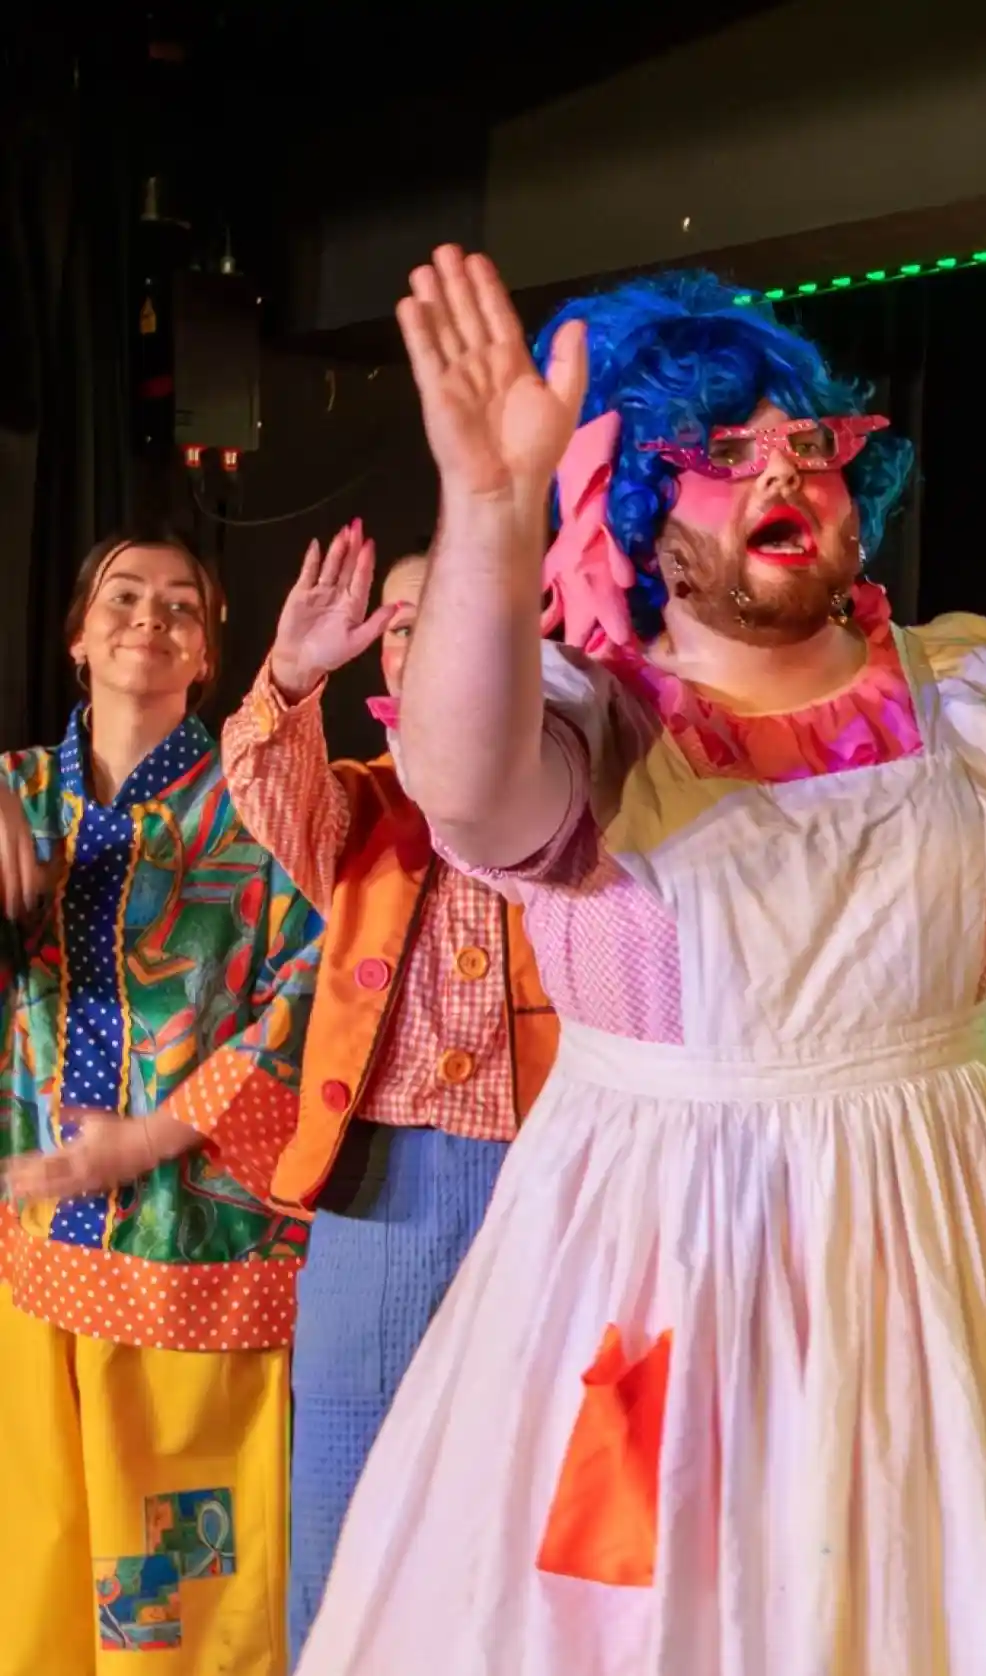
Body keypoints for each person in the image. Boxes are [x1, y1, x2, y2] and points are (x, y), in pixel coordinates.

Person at [297, 250, 986, 1676]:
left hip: (950, 1247)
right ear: (642, 510)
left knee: (950, 1595)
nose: (783, 473)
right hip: (663, 1258)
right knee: (649, 1609)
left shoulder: (982, 702)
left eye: (810, 445)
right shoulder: (597, 725)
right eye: (723, 451)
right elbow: (466, 791)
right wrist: (488, 506)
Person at [219, 520, 558, 1662]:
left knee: (536, 1507)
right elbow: (265, 774)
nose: (433, 643)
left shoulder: (584, 800)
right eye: (407, 623)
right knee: (346, 1495)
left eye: (464, 617)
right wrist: (292, 671)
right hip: (385, 1190)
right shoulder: (359, 808)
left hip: (555, 1180)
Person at [0, 532, 323, 1676]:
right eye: (123, 597)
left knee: (176, 1609)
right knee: (37, 1566)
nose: (151, 616)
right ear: (77, 635)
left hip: (202, 1254)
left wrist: (154, 1132)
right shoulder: (18, 791)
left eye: (182, 605)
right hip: (36, 1257)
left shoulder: (261, 803)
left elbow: (310, 992)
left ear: (207, 649)